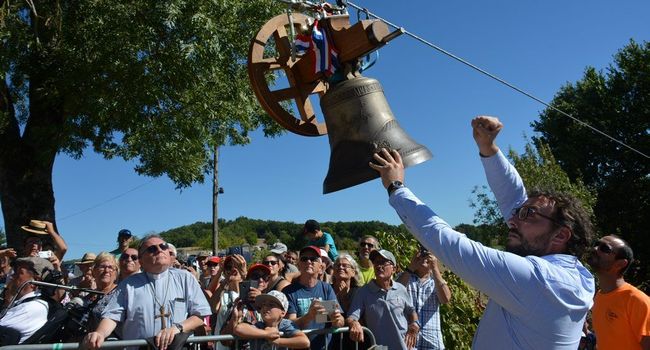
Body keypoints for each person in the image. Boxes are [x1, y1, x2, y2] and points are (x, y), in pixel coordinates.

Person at [369, 115, 595, 349]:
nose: (514, 219)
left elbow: (449, 243)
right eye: (519, 213)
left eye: (528, 215)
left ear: (560, 235)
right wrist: (489, 149)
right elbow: (514, 199)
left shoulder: (540, 280)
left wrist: (396, 188)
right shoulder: (576, 276)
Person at [83, 235, 211, 350]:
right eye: (152, 249)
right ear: (141, 260)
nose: (159, 250)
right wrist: (99, 333)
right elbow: (112, 316)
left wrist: (177, 328)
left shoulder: (185, 278)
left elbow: (200, 315)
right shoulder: (128, 284)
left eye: (163, 246)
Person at [346, 249, 419, 350]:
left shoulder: (401, 289)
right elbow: (351, 317)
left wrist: (414, 325)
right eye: (376, 262)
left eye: (383, 262)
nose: (379, 266)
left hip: (406, 347)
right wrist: (354, 323)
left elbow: (411, 311)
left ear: (393, 269)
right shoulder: (364, 292)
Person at [587, 235, 650, 350]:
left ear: (620, 264)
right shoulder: (599, 296)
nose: (595, 249)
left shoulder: (637, 300)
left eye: (605, 248)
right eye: (596, 244)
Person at [283, 245, 344, 350]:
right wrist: (309, 316)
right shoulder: (288, 292)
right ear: (299, 265)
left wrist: (336, 320)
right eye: (304, 259)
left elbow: (339, 321)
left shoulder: (326, 289)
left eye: (313, 259)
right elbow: (289, 324)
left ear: (320, 267)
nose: (308, 261)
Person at [397, 248, 452, 350]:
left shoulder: (436, 281)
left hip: (431, 341)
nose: (425, 258)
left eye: (428, 255)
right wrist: (411, 267)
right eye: (422, 254)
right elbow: (394, 293)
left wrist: (435, 268)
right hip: (408, 340)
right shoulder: (405, 276)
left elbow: (445, 299)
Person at [0, 257, 54, 344]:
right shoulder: (21, 303)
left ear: (35, 281)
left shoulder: (32, 307)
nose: (12, 276)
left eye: (19, 273)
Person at [233, 290, 309, 350]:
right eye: (263, 305)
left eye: (271, 305)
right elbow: (239, 328)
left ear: (283, 312)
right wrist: (266, 333)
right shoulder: (259, 325)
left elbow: (305, 341)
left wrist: (277, 341)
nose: (265, 308)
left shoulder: (285, 324)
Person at [330, 253, 365, 350]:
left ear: (353, 272)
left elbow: (362, 319)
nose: (340, 267)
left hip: (353, 343)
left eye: (345, 265)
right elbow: (323, 317)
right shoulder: (327, 290)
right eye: (337, 265)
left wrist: (344, 299)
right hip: (331, 343)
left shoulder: (360, 292)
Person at [84, 253, 119, 338]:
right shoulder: (89, 296)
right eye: (102, 267)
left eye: (111, 267)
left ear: (116, 274)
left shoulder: (120, 294)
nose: (106, 270)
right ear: (94, 271)